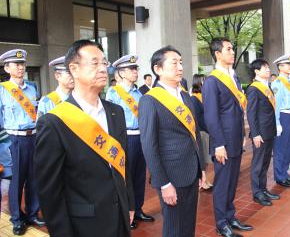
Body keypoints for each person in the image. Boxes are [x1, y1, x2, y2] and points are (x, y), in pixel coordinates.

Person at [34, 40, 135, 237]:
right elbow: (50, 192)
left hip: (120, 217)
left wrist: (129, 202)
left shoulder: (116, 112)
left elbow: (123, 163)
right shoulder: (54, 122)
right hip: (85, 224)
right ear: (74, 69)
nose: (103, 69)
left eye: (104, 63)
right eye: (94, 63)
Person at [138, 45, 206, 237]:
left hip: (192, 171)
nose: (180, 67)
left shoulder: (185, 96)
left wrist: (201, 168)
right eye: (174, 63)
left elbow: (195, 133)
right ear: (158, 69)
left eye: (181, 63)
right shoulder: (149, 101)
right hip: (171, 175)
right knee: (174, 227)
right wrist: (163, 183)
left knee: (188, 224)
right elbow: (149, 146)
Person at [203, 37, 252, 237]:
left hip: (235, 139)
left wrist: (242, 134)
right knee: (222, 184)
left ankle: (231, 216)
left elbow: (238, 111)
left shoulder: (234, 78)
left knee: (233, 182)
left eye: (232, 49)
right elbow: (211, 116)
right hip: (222, 143)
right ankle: (221, 222)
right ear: (217, 54)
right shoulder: (212, 81)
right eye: (229, 49)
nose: (233, 52)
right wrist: (219, 144)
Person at [106, 54, 154, 229]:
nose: (135, 72)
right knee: (126, 176)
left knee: (139, 174)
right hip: (124, 138)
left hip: (140, 136)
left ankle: (138, 208)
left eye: (136, 69)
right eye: (131, 69)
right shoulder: (113, 92)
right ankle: (128, 211)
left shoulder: (139, 92)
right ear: (121, 72)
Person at [0, 49, 44, 235]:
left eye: (22, 64)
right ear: (7, 67)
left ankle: (32, 213)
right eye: (16, 64)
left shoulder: (32, 88)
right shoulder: (2, 90)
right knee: (16, 180)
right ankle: (16, 218)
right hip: (14, 139)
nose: (20, 67)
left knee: (34, 178)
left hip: (33, 137)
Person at [246, 59, 280, 207]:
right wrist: (255, 134)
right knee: (258, 164)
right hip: (260, 133)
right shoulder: (254, 88)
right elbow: (251, 113)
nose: (268, 70)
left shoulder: (268, 86)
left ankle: (263, 189)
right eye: (264, 68)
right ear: (256, 71)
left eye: (268, 67)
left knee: (266, 162)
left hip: (269, 130)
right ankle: (257, 192)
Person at [271, 54, 290, 188]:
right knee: (281, 148)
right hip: (283, 116)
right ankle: (279, 176)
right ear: (280, 67)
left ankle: (285, 173)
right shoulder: (278, 83)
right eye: (287, 65)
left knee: (288, 147)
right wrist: (277, 123)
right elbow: (276, 105)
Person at [191, 73, 213, 191]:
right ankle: (202, 182)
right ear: (198, 82)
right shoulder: (194, 98)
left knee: (207, 160)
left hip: (207, 130)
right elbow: (198, 118)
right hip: (202, 131)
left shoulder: (204, 96)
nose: (205, 82)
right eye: (203, 80)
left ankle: (207, 180)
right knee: (203, 159)